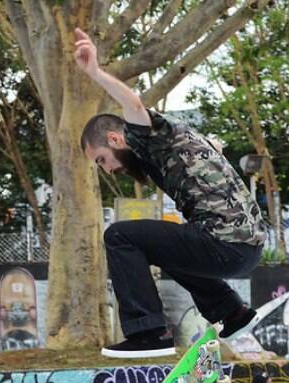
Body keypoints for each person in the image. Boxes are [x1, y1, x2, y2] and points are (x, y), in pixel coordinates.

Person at [73, 27, 267, 358]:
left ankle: (148, 332)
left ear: (116, 139)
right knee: (166, 244)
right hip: (246, 247)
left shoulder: (144, 136)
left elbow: (133, 104)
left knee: (120, 236)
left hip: (223, 241)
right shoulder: (173, 143)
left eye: (102, 159)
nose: (107, 170)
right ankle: (231, 312)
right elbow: (210, 154)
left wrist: (95, 73)